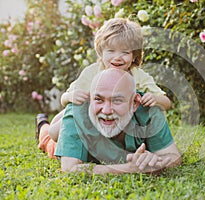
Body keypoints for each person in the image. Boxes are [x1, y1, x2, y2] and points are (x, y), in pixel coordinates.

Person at [46, 17, 171, 143]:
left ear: (134, 56)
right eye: (111, 51)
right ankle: (42, 126)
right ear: (101, 52)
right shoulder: (93, 72)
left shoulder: (138, 76)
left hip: (116, 124)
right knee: (54, 133)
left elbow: (166, 103)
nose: (117, 58)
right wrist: (71, 96)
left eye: (125, 52)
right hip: (90, 115)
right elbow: (64, 99)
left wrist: (155, 99)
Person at [37, 68, 181, 174]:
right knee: (48, 140)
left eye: (117, 100)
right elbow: (70, 169)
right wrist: (129, 169)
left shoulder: (148, 110)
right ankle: (42, 122)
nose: (106, 110)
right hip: (67, 135)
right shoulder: (78, 112)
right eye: (99, 99)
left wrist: (154, 162)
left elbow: (174, 157)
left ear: (134, 103)